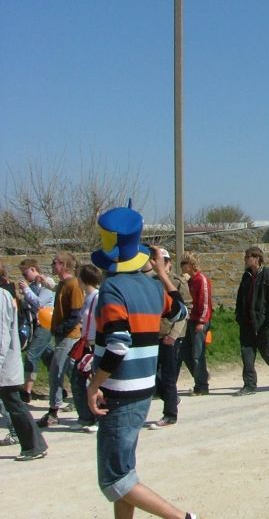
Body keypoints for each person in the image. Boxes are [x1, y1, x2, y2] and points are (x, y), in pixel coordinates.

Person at [86, 204, 198, 518]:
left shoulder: (112, 289)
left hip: (119, 393)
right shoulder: (152, 287)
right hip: (143, 390)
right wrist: (162, 274)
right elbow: (180, 311)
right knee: (126, 471)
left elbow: (117, 345)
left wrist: (94, 384)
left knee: (114, 479)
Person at [233, 246, 269, 396]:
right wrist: (239, 316)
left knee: (268, 353)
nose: (245, 259)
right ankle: (249, 385)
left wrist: (268, 321)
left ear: (257, 258)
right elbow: (240, 298)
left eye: (248, 257)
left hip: (262, 323)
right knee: (247, 354)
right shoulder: (246, 276)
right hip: (246, 323)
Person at [0, 286, 48, 461]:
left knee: (14, 404)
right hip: (5, 364)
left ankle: (34, 446)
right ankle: (35, 445)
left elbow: (2, 335)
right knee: (13, 403)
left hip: (5, 364)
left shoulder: (1, 297)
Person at [38, 251, 85, 428]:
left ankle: (54, 410)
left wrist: (61, 329)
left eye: (54, 262)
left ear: (63, 265)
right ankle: (91, 401)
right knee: (74, 372)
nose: (52, 265)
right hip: (62, 335)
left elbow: (76, 313)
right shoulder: (62, 284)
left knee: (56, 371)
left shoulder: (73, 285)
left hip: (69, 336)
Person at [151, 249, 187, 428]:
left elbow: (184, 311)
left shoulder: (177, 282)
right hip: (153, 334)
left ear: (168, 263)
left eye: (162, 261)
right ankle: (170, 398)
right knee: (151, 375)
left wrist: (173, 335)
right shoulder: (151, 282)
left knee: (168, 377)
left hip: (171, 336)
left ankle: (170, 414)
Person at [17, 259, 55, 403]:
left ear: (33, 269)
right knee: (48, 356)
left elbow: (39, 303)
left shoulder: (46, 283)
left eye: (25, 273)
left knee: (32, 354)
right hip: (35, 325)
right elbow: (30, 305)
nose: (24, 276)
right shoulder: (32, 286)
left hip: (46, 324)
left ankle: (26, 391)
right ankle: (59, 384)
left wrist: (27, 290)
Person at [69, 264, 101, 433]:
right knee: (77, 379)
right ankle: (85, 417)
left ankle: (100, 417)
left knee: (98, 382)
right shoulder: (87, 297)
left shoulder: (98, 297)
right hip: (85, 344)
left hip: (96, 345)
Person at [180, 252, 212, 396]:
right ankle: (202, 376)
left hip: (200, 321)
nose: (181, 266)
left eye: (184, 263)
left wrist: (201, 321)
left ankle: (201, 386)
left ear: (191, 265)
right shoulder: (190, 281)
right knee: (185, 351)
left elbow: (205, 302)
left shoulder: (201, 280)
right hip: (190, 320)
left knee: (197, 354)